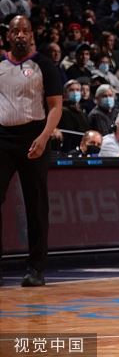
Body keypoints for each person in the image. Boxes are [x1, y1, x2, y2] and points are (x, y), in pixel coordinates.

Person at [0, 15, 63, 286]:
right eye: (15, 30)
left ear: (32, 35)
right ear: (8, 36)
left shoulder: (44, 65)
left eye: (25, 30)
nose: (20, 35)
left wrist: (44, 137)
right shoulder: (1, 64)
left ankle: (36, 269)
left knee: (36, 205)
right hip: (3, 138)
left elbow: (56, 106)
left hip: (34, 136)